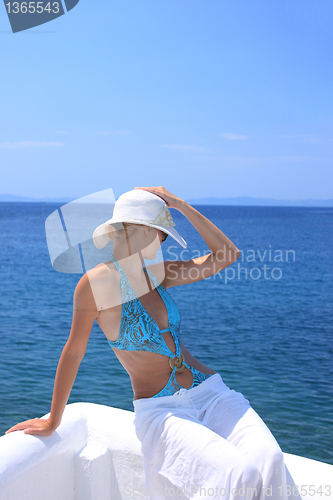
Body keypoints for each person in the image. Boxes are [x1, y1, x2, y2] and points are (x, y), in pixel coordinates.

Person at [6, 186, 291, 500]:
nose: (163, 242)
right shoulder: (95, 283)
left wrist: (180, 205)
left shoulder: (158, 274)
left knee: (271, 462)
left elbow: (226, 256)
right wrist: (53, 419)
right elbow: (74, 351)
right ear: (134, 230)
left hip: (210, 391)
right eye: (161, 233)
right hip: (163, 410)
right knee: (241, 475)